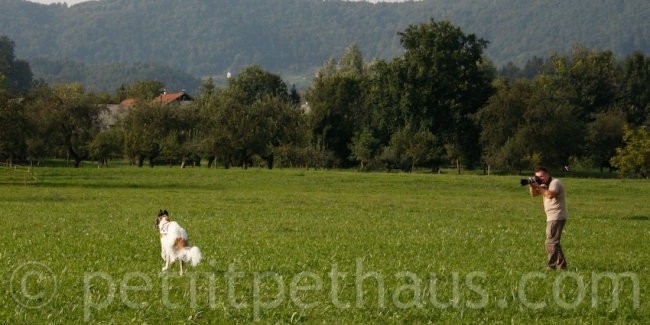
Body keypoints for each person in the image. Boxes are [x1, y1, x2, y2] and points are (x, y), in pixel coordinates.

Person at [529, 166, 568, 270]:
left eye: (541, 176)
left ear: (547, 174)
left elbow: (549, 195)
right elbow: (533, 195)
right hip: (551, 216)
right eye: (537, 177)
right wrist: (532, 185)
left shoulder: (555, 183)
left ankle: (551, 266)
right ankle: (562, 266)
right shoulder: (544, 184)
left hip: (557, 216)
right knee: (555, 242)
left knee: (550, 242)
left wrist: (538, 185)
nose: (540, 178)